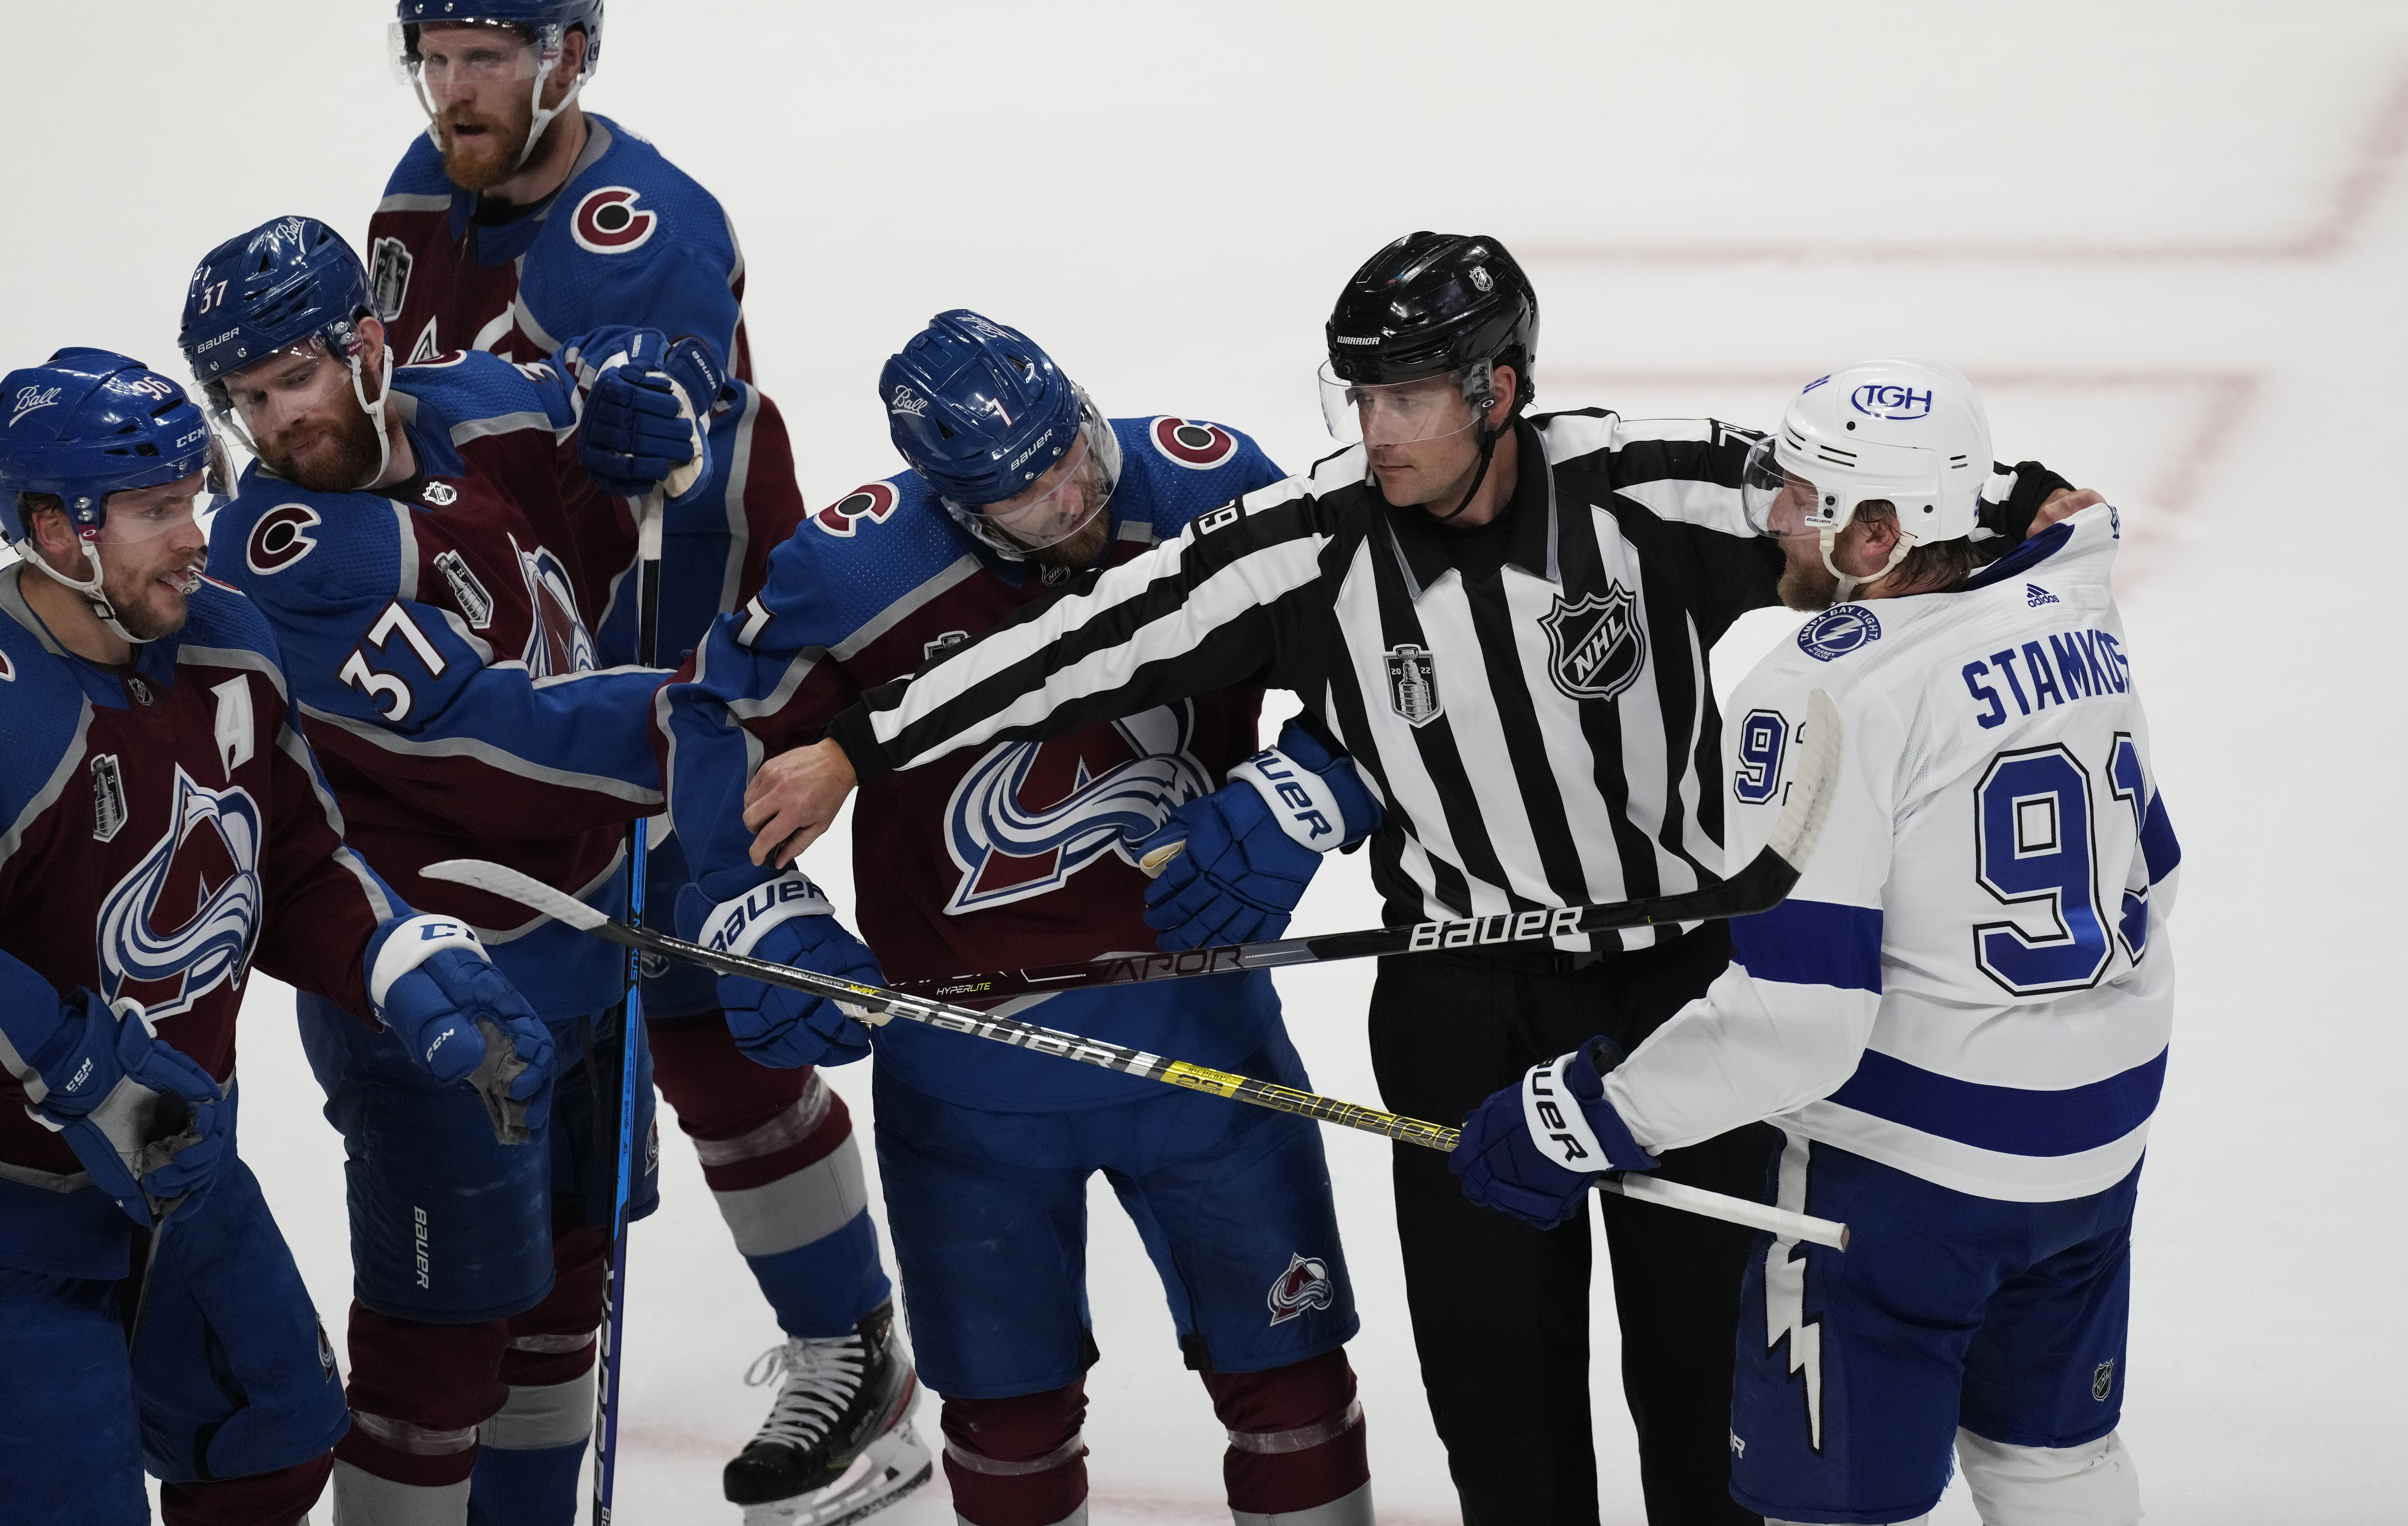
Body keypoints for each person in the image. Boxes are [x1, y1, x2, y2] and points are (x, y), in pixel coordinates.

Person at [732, 235, 2097, 1525]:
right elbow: (1094, 642)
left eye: (1409, 397)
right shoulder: (1312, 538)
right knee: (1500, 1414)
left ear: (1499, 389)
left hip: (1686, 1005)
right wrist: (859, 746)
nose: (1375, 430)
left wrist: (2014, 501)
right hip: (1459, 1011)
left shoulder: (1645, 482)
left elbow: (1857, 514)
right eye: (1362, 394)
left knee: (1702, 1403)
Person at [663, 311, 1377, 1526]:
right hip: (967, 1062)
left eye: (1078, 456)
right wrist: (753, 900)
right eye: (1032, 495)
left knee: (1293, 1384)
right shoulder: (857, 571)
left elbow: (1388, 651)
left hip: (1200, 1027)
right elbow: (715, 724)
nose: (1075, 500)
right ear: (953, 502)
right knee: (1007, 1415)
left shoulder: (1213, 487)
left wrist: (1317, 782)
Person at [370, 0, 909, 1512]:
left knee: (705, 999)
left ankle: (854, 1351)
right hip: (528, 665)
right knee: (581, 993)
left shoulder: (646, 227)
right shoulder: (415, 187)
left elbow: (660, 477)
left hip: (686, 647)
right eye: (438, 53)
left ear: (572, 58)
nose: (455, 88)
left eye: (490, 57)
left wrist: (638, 442)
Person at [1450, 358, 2171, 1526]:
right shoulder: (2072, 610)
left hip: (1910, 1182)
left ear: (1879, 534)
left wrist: (1581, 1116)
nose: (1773, 517)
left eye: (1802, 498)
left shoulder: (1818, 694)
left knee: (1825, 1508)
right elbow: (2160, 872)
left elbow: (1798, 1027)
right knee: (2053, 1462)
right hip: (2101, 1139)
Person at [175, 213, 723, 1524]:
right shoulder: (290, 561)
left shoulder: (462, 402)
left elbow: (603, 378)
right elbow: (500, 751)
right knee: (437, 1352)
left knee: (562, 1295)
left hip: (595, 931)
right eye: (246, 399)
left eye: (293, 379)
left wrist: (649, 390)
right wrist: (709, 718)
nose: (276, 423)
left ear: (366, 347)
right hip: (439, 991)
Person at [0, 348, 554, 1525]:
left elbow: (299, 859)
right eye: (157, 512)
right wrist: (73, 1063)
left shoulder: (229, 647)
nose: (197, 536)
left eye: (194, 499)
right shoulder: (9, 711)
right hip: (17, 1223)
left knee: (272, 1445)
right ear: (55, 530)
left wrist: (409, 962)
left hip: (183, 1169)